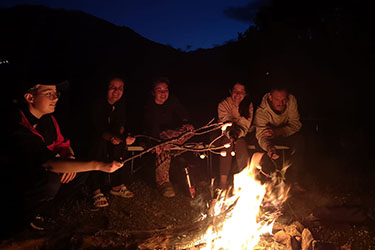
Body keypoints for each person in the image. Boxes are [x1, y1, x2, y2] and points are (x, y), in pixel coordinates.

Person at [6, 80, 124, 231]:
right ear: (30, 98)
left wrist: (69, 157)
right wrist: (99, 165)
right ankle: (22, 216)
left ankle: (44, 210)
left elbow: (62, 144)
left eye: (56, 94)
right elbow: (48, 163)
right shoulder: (17, 125)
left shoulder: (48, 119)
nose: (55, 98)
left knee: (79, 171)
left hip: (42, 170)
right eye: (49, 94)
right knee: (52, 178)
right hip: (18, 180)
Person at [88, 77, 135, 208]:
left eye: (120, 88)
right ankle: (95, 188)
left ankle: (117, 185)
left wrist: (124, 137)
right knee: (99, 145)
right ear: (106, 88)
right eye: (113, 87)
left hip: (110, 135)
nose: (116, 91)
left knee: (120, 144)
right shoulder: (97, 103)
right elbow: (98, 129)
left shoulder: (121, 104)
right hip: (93, 136)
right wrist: (114, 136)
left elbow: (120, 125)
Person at [142, 77, 194, 197]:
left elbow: (182, 112)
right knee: (164, 145)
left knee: (190, 131)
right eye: (159, 90)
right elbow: (151, 126)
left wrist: (186, 122)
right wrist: (157, 142)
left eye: (165, 90)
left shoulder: (172, 101)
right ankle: (163, 183)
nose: (163, 93)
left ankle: (168, 145)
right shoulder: (149, 106)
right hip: (151, 136)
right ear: (153, 92)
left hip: (169, 135)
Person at [254, 86, 304, 186]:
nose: (281, 103)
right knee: (259, 146)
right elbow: (261, 135)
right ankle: (267, 183)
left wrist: (277, 132)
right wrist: (269, 148)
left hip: (285, 134)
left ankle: (295, 181)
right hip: (269, 139)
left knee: (301, 141)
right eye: (277, 99)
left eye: (283, 100)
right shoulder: (262, 111)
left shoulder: (291, 101)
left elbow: (296, 124)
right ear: (270, 97)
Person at [217, 82, 254, 189]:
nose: (238, 95)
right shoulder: (223, 104)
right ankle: (222, 183)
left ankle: (245, 179)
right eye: (235, 91)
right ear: (230, 92)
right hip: (224, 134)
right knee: (226, 144)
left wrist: (237, 134)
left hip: (242, 134)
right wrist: (231, 134)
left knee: (240, 144)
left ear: (245, 94)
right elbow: (225, 122)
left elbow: (245, 125)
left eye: (241, 92)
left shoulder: (248, 106)